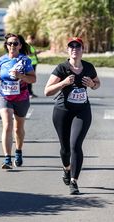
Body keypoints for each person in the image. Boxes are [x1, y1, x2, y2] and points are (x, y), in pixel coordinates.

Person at [44, 37, 100, 195]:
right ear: (68, 50)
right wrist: (63, 83)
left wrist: (92, 85)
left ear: (83, 50)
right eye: (71, 46)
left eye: (78, 46)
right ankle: (66, 169)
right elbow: (47, 91)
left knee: (76, 145)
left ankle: (74, 181)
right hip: (63, 111)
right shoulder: (61, 68)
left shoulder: (88, 67)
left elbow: (97, 83)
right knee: (65, 149)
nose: (75, 48)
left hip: (82, 111)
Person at [0, 33, 36, 169]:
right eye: (10, 43)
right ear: (6, 45)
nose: (12, 46)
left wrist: (21, 76)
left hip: (21, 97)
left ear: (20, 46)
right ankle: (7, 159)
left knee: (18, 128)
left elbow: (33, 79)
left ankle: (18, 151)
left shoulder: (25, 60)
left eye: (15, 43)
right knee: (7, 125)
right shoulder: (1, 60)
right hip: (4, 96)